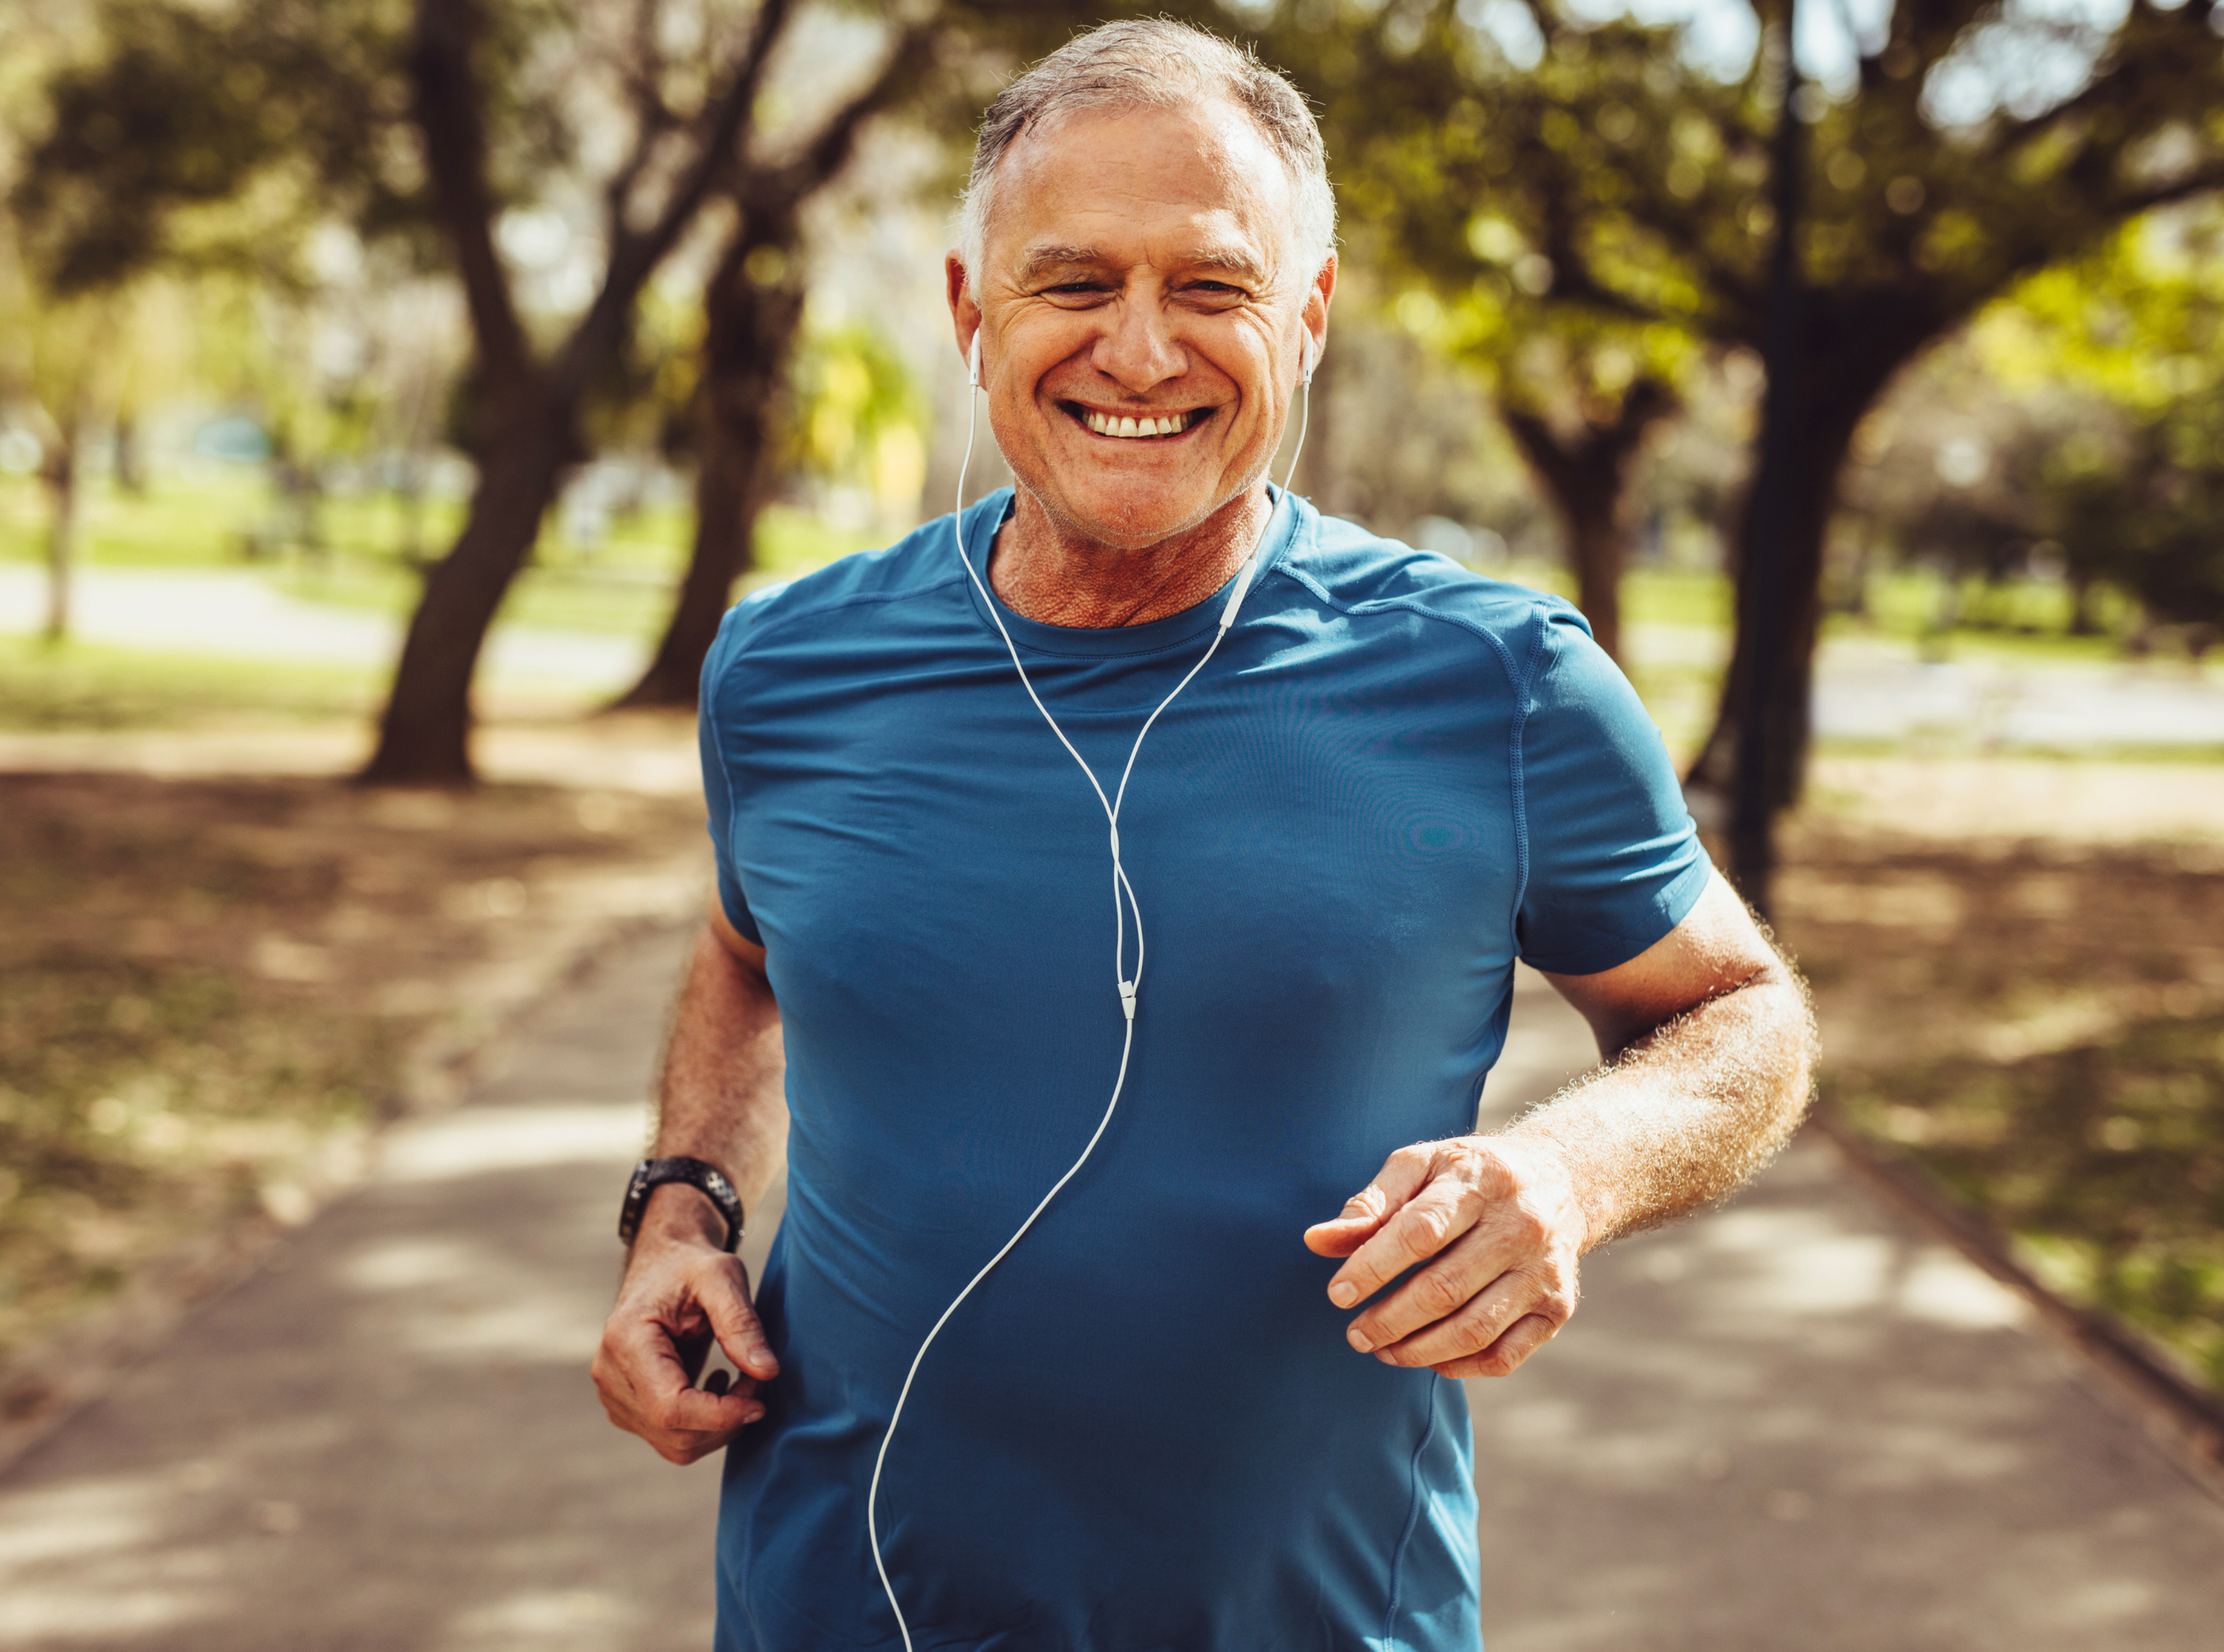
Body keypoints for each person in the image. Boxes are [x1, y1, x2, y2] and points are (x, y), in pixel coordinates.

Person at [592, 20, 1814, 1649]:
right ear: (973, 312)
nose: (1144, 352)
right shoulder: (787, 667)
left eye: (1214, 287)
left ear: (1306, 319)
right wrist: (683, 1209)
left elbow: (1743, 1015)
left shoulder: (1504, 682)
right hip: (830, 1600)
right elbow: (750, 953)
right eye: (1075, 283)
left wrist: (1564, 1172)